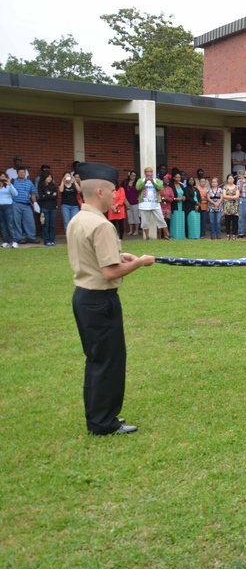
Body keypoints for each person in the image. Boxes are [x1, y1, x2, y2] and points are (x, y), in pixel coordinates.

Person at [67, 161, 155, 436]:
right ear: (101, 192)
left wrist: (121, 257)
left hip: (83, 297)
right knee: (109, 361)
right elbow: (109, 272)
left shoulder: (79, 219)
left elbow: (99, 259)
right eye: (113, 191)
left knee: (96, 360)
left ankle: (98, 418)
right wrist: (139, 262)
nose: (117, 196)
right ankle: (104, 422)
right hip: (100, 300)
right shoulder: (102, 225)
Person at [11, 167, 39, 244]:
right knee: (17, 222)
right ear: (17, 173)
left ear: (25, 173)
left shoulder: (29, 182)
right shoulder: (13, 181)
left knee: (30, 221)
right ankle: (19, 238)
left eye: (23, 172)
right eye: (20, 172)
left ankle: (31, 237)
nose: (22, 173)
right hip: (16, 204)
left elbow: (33, 193)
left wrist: (35, 203)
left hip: (27, 205)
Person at [37, 173, 59, 246]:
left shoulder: (54, 186)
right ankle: (46, 241)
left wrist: (46, 196)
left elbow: (56, 197)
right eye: (48, 177)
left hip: (53, 208)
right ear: (44, 178)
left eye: (50, 177)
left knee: (52, 225)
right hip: (44, 207)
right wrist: (50, 195)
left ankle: (52, 240)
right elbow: (41, 197)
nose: (49, 178)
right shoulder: (40, 186)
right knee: (45, 225)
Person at [0, 172, 19, 248]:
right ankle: (6, 241)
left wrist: (10, 184)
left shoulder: (8, 186)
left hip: (8, 206)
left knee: (10, 224)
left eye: (4, 176)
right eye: (1, 176)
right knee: (2, 225)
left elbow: (15, 194)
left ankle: (14, 241)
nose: (2, 178)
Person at [221, 174, 240, 240]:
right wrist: (233, 197)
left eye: (231, 178)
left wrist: (228, 197)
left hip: (235, 206)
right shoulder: (225, 187)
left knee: (235, 221)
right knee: (227, 221)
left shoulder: (236, 187)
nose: (230, 180)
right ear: (227, 180)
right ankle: (228, 234)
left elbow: (237, 196)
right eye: (229, 179)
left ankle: (234, 234)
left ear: (233, 179)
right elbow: (224, 196)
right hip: (227, 206)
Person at [123, 170, 141, 236]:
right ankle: (131, 230)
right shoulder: (125, 182)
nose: (132, 176)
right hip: (127, 202)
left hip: (136, 202)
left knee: (136, 216)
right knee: (130, 216)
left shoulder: (137, 183)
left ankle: (136, 230)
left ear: (136, 177)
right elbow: (122, 191)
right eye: (131, 175)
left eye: (134, 175)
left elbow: (140, 191)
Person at [169, 174, 186, 240]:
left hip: (181, 205)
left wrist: (184, 197)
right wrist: (176, 199)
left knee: (181, 220)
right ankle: (174, 235)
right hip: (175, 205)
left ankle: (181, 236)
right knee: (175, 220)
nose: (178, 178)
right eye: (176, 177)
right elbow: (170, 196)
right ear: (174, 178)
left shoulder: (181, 185)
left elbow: (184, 194)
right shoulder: (171, 186)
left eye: (179, 177)